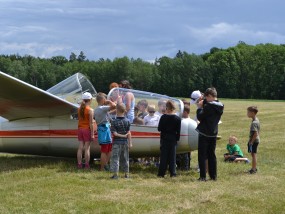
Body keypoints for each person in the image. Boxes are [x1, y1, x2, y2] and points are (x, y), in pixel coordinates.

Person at [196, 87, 224, 181]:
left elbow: (200, 117)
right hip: (213, 133)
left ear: (210, 96)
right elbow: (211, 105)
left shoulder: (208, 106)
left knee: (202, 155)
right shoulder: (220, 105)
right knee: (212, 155)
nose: (205, 99)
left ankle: (203, 176)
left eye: (206, 97)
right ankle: (213, 176)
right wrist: (204, 102)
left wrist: (199, 108)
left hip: (204, 133)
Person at [157, 100, 181, 178]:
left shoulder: (163, 117)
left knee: (163, 156)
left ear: (167, 108)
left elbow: (159, 128)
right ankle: (173, 173)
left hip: (164, 138)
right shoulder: (177, 119)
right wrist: (177, 139)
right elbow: (178, 131)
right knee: (172, 156)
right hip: (173, 138)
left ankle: (161, 173)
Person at [94, 92, 116, 171]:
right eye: (105, 98)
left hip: (103, 129)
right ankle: (103, 167)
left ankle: (105, 165)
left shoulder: (97, 109)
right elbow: (114, 106)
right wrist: (109, 101)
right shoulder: (102, 108)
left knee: (109, 149)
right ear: (103, 99)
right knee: (104, 150)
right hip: (104, 130)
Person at [110, 103, 132, 179]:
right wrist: (130, 143)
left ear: (117, 110)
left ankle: (115, 175)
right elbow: (129, 133)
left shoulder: (114, 121)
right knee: (125, 158)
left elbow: (115, 134)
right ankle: (126, 174)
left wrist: (122, 136)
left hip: (117, 143)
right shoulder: (128, 121)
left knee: (115, 158)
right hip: (125, 143)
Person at [77, 92, 94, 169]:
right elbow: (91, 123)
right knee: (87, 148)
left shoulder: (79, 109)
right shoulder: (90, 110)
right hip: (87, 129)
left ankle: (79, 164)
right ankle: (87, 165)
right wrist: (92, 134)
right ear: (90, 100)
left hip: (80, 129)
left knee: (80, 147)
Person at [176, 104, 191, 171]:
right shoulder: (182, 119)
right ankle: (179, 166)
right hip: (180, 139)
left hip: (185, 140)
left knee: (185, 154)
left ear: (185, 112)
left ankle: (185, 167)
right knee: (179, 154)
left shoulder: (187, 121)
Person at [247, 106, 260, 174]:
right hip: (255, 140)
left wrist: (251, 142)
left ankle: (253, 169)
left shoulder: (254, 122)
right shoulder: (256, 120)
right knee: (253, 154)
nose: (247, 113)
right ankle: (254, 168)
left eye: (248, 112)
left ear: (252, 113)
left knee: (253, 155)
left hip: (254, 141)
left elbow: (255, 133)